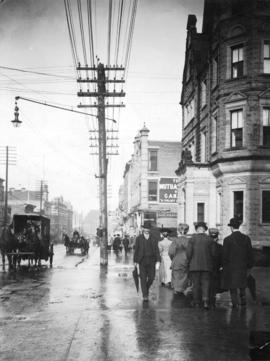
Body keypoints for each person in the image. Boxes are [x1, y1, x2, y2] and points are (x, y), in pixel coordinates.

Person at [222, 217, 253, 308]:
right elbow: (250, 254)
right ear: (238, 226)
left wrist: (224, 266)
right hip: (243, 266)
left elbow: (225, 256)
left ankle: (235, 303)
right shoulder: (246, 238)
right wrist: (249, 266)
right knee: (242, 284)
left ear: (231, 227)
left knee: (233, 286)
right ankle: (243, 301)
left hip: (231, 267)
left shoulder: (227, 240)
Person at [186, 221, 216, 309]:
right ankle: (205, 301)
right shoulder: (209, 239)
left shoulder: (192, 239)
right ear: (205, 230)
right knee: (206, 283)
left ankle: (196, 302)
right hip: (207, 266)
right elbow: (214, 253)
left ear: (197, 229)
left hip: (194, 266)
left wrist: (190, 261)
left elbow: (188, 253)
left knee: (196, 284)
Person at [134, 223, 161, 302]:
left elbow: (156, 250)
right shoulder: (139, 238)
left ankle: (146, 288)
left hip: (152, 260)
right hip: (142, 260)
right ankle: (145, 295)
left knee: (152, 277)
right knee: (143, 278)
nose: (146, 230)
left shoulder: (154, 238)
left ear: (150, 229)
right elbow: (136, 250)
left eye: (148, 228)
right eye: (145, 228)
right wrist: (135, 261)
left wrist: (158, 260)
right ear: (143, 229)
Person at [168, 223, 190, 295]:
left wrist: (173, 258)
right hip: (186, 261)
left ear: (178, 231)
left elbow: (171, 252)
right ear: (187, 231)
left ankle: (177, 289)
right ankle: (183, 289)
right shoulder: (189, 241)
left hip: (176, 261)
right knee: (184, 276)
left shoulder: (175, 241)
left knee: (176, 276)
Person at [208, 228, 223, 308]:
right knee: (215, 284)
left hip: (207, 268)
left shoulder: (205, 247)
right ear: (217, 237)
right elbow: (222, 259)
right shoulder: (220, 247)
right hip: (216, 269)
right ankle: (213, 298)